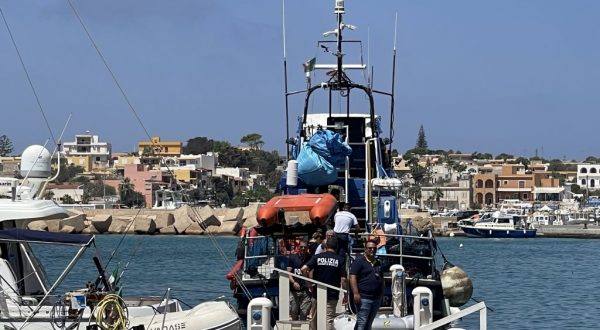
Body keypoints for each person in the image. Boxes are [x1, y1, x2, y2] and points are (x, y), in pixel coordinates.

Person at [301, 237, 347, 329]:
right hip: (332, 294)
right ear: (337, 247)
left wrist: (309, 283)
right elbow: (343, 279)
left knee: (314, 319)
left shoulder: (317, 257)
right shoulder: (340, 260)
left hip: (317, 293)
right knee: (328, 320)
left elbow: (303, 269)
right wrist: (345, 294)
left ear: (325, 246)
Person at [349, 240, 384, 330]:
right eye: (370, 248)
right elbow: (352, 277)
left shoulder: (378, 262)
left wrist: (381, 294)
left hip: (376, 298)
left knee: (368, 323)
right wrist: (356, 293)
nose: (372, 250)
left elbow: (381, 278)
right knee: (362, 323)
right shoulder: (359, 261)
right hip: (364, 297)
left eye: (374, 248)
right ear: (365, 249)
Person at [287, 240, 312, 321]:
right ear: (298, 247)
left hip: (306, 291)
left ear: (307, 248)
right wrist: (293, 282)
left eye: (305, 247)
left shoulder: (310, 258)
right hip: (294, 290)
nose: (303, 248)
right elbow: (288, 273)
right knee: (293, 312)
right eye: (301, 247)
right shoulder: (293, 257)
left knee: (304, 314)